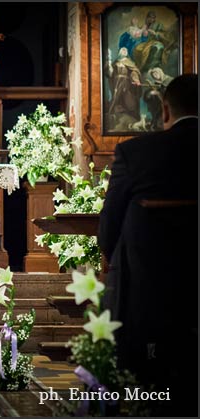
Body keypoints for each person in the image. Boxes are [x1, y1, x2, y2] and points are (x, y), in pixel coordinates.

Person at [98, 74, 197, 416]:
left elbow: (109, 226)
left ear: (165, 109)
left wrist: (114, 260)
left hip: (148, 289)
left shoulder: (135, 152)